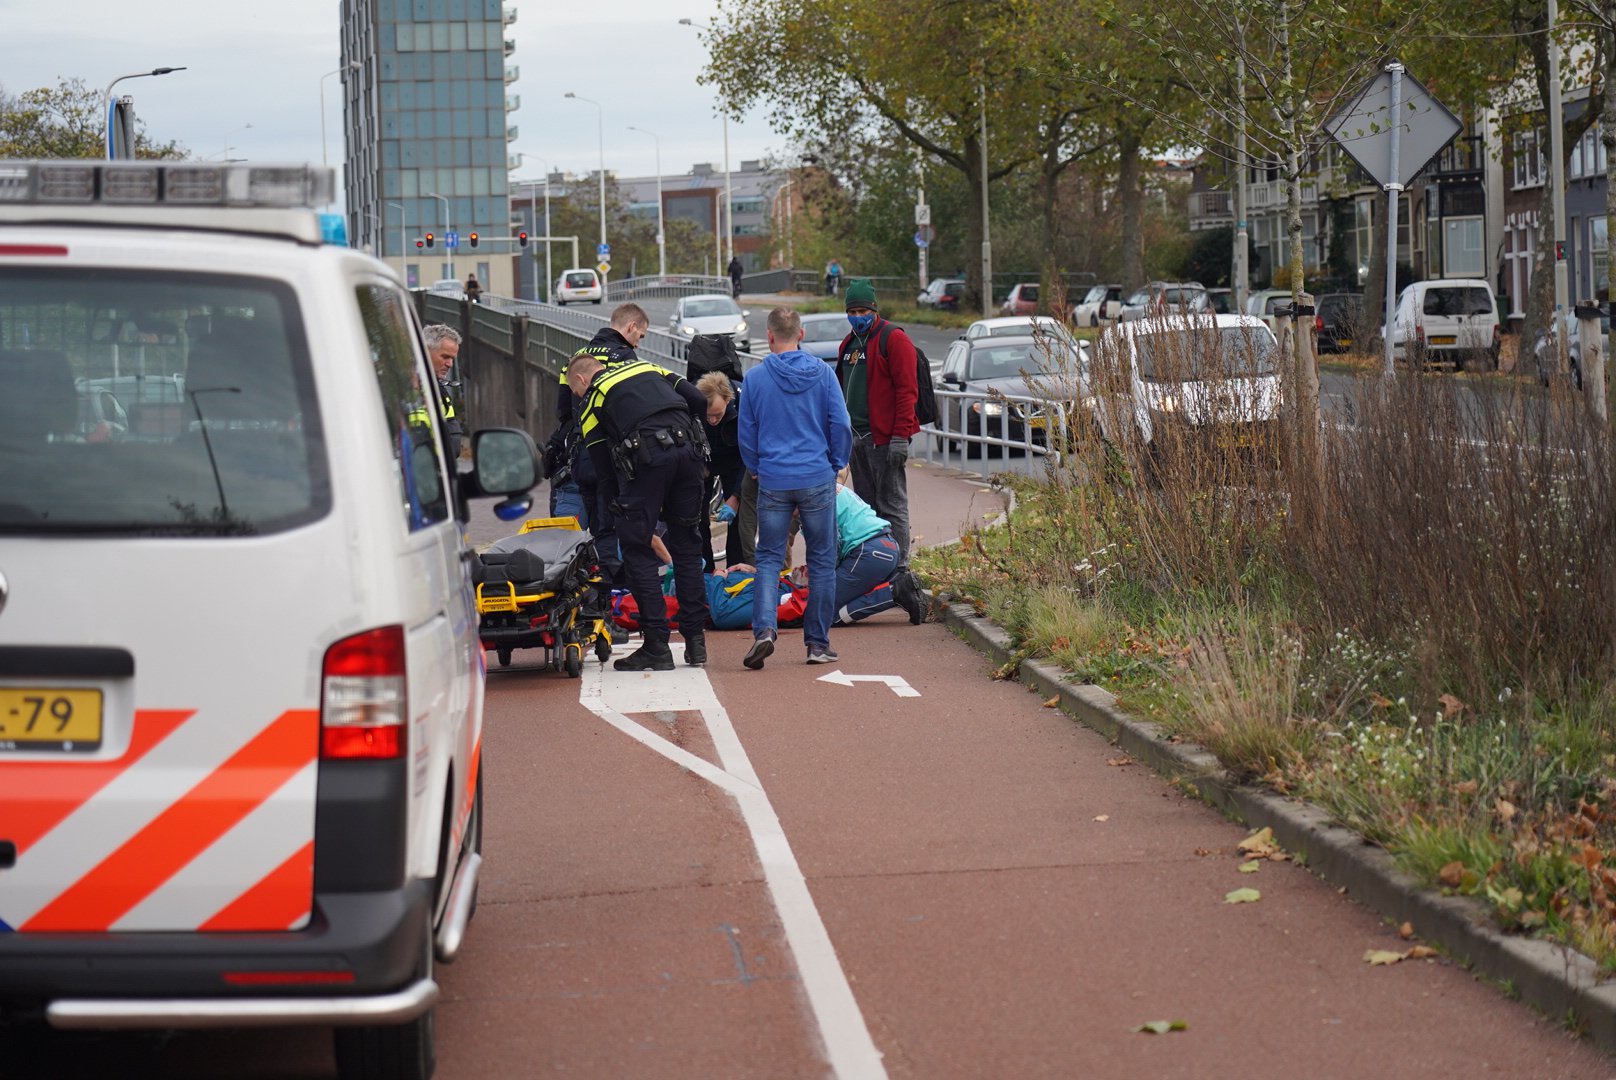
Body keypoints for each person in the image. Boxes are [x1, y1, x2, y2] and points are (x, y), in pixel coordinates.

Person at [569, 348, 710, 671]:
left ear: (581, 379)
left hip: (646, 461)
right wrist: (694, 435)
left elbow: (602, 466)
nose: (578, 397)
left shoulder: (593, 399)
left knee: (637, 548)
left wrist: (615, 508)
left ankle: (657, 645)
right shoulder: (648, 367)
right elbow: (697, 399)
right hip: (689, 454)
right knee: (688, 546)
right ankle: (695, 642)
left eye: (576, 391)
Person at [738, 307, 852, 669]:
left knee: (769, 558)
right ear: (801, 334)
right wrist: (835, 464)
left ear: (769, 336)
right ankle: (817, 643)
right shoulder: (824, 374)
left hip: (773, 478)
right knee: (821, 560)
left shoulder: (755, 379)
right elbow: (841, 424)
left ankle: (764, 631)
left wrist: (755, 468)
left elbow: (746, 430)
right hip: (816, 475)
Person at [548, 303, 652, 569]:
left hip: (580, 456)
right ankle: (608, 584)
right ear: (631, 327)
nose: (638, 343)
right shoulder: (625, 358)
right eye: (640, 336)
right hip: (610, 458)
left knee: (578, 534)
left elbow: (563, 412)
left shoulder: (576, 358)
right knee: (609, 530)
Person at [834, 278, 918, 574]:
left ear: (874, 309)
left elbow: (907, 390)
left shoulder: (893, 339)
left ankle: (901, 570)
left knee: (892, 506)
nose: (857, 317)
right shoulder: (848, 345)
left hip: (884, 439)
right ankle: (876, 568)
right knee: (867, 509)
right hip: (856, 440)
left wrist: (900, 437)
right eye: (852, 312)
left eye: (863, 311)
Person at [830, 470, 925, 625]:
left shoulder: (814, 502)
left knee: (823, 613)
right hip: (886, 546)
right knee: (839, 598)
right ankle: (894, 590)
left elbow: (830, 548)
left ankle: (895, 592)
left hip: (867, 553)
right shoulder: (830, 487)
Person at [696, 372, 757, 569]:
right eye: (708, 416)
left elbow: (749, 457)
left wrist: (736, 496)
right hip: (705, 458)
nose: (713, 420)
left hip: (736, 457)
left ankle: (736, 569)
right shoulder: (692, 405)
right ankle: (704, 569)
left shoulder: (743, 405)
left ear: (728, 400)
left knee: (738, 519)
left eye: (717, 415)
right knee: (697, 516)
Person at [420, 324, 464, 461]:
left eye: (452, 359)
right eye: (445, 357)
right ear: (425, 351)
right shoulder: (413, 387)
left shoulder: (438, 389)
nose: (450, 364)